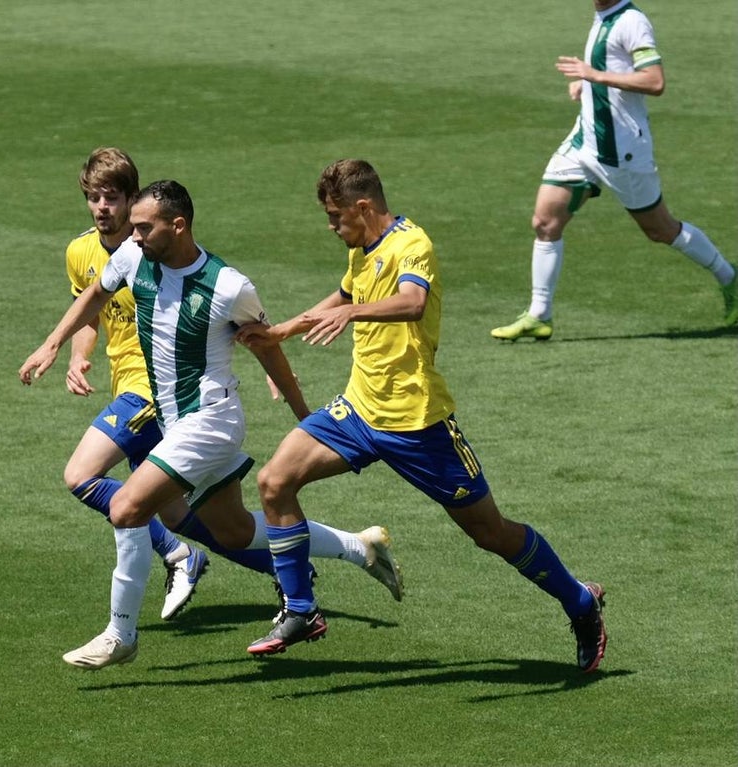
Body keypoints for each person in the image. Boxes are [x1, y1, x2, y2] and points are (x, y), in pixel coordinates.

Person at [238, 159, 607, 672]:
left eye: (335, 215)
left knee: (490, 533)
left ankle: (580, 602)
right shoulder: (363, 250)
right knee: (275, 482)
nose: (330, 226)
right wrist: (283, 333)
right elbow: (345, 295)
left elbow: (411, 302)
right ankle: (301, 610)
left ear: (363, 207)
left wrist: (349, 314)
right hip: (359, 410)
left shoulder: (413, 245)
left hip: (418, 424)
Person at [21, 179, 401, 669]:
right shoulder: (134, 259)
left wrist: (302, 413)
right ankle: (360, 546)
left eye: (143, 227)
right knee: (234, 532)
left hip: (211, 421)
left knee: (128, 509)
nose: (132, 236)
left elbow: (266, 344)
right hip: (177, 420)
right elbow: (96, 292)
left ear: (177, 226)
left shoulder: (228, 286)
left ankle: (121, 634)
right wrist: (54, 343)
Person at [62, 147, 287, 621]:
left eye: (112, 198)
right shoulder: (82, 252)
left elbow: (236, 316)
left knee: (84, 478)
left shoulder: (157, 250)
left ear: (133, 201)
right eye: (93, 198)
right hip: (139, 391)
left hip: (155, 391)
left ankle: (168, 569)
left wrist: (275, 372)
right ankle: (291, 568)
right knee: (193, 518)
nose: (102, 207)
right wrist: (75, 357)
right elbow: (92, 311)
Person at [491, 0, 738, 341]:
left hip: (623, 151)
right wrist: (588, 85)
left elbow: (654, 81)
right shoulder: (603, 15)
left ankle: (730, 278)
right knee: (545, 222)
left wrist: (594, 75)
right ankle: (539, 314)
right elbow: (611, 66)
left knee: (660, 229)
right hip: (584, 142)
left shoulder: (631, 21)